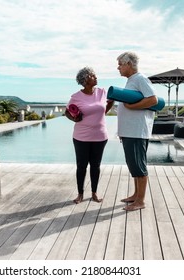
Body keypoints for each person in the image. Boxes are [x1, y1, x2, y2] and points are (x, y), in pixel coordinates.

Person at [115, 52, 158, 211]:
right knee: (133, 165)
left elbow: (152, 99)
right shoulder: (132, 81)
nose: (118, 67)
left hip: (137, 132)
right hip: (130, 132)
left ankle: (140, 201)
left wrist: (131, 107)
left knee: (139, 165)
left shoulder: (140, 79)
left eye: (120, 64)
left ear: (128, 64)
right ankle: (136, 195)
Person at [66, 67, 114, 204]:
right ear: (85, 79)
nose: (96, 77)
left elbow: (106, 107)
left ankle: (94, 193)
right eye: (93, 75)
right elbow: (67, 112)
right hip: (81, 137)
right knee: (81, 166)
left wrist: (106, 109)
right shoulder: (76, 97)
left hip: (100, 136)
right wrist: (74, 119)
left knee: (95, 165)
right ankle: (80, 194)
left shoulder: (102, 92)